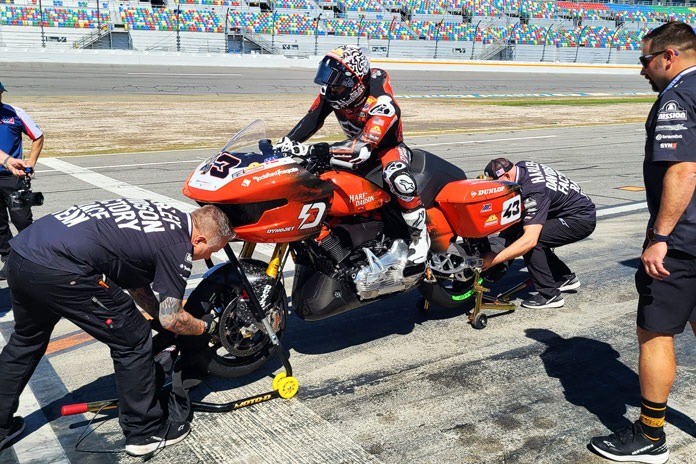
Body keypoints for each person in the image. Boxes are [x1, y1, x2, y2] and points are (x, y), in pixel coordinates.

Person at [0, 199, 232, 456]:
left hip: (23, 255)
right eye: (212, 250)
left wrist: (160, 319)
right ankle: (144, 432)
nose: (209, 257)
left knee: (26, 341)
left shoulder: (163, 216)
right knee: (133, 339)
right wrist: (204, 327)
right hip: (63, 269)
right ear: (199, 240)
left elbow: (136, 283)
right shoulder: (178, 244)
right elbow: (171, 318)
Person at [590, 21, 696, 464]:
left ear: (668, 56)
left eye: (644, 60)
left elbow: (683, 170)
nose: (642, 70)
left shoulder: (678, 96)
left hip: (685, 240)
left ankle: (651, 435)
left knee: (654, 333)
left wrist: (660, 237)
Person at [274, 45, 430, 265]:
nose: (329, 87)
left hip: (386, 149)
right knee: (315, 177)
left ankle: (419, 236)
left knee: (398, 178)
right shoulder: (334, 92)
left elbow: (362, 149)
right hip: (353, 146)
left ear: (353, 83)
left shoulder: (381, 105)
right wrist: (287, 144)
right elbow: (312, 119)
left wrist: (314, 149)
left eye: (335, 83)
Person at [481, 157, 596, 309]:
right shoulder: (521, 166)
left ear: (507, 176)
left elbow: (529, 240)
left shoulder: (534, 192)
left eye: (497, 183)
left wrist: (494, 259)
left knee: (529, 241)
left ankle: (549, 295)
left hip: (580, 219)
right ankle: (563, 277)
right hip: (566, 208)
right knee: (522, 228)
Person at [0, 81, 44, 280]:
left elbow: (38, 135)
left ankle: (36, 257)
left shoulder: (14, 112)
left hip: (13, 178)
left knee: (22, 219)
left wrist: (31, 163)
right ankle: (9, 259)